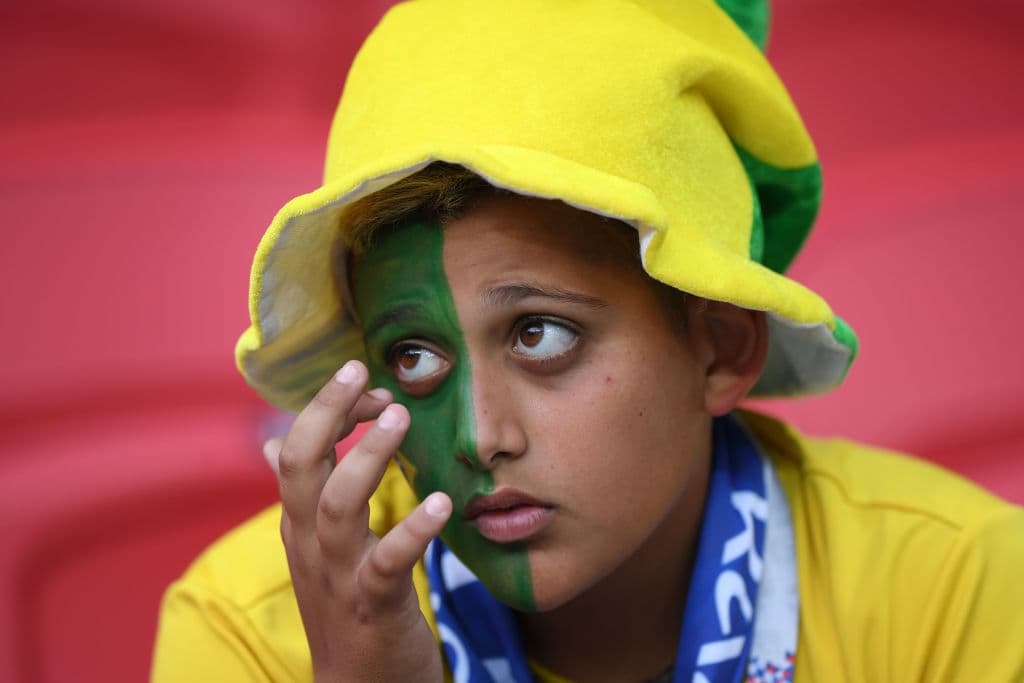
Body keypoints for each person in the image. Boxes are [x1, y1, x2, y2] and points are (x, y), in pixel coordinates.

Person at [152, 1, 1024, 681]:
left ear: (721, 345)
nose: (479, 434)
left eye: (540, 335)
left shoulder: (955, 588)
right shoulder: (249, 628)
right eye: (414, 357)